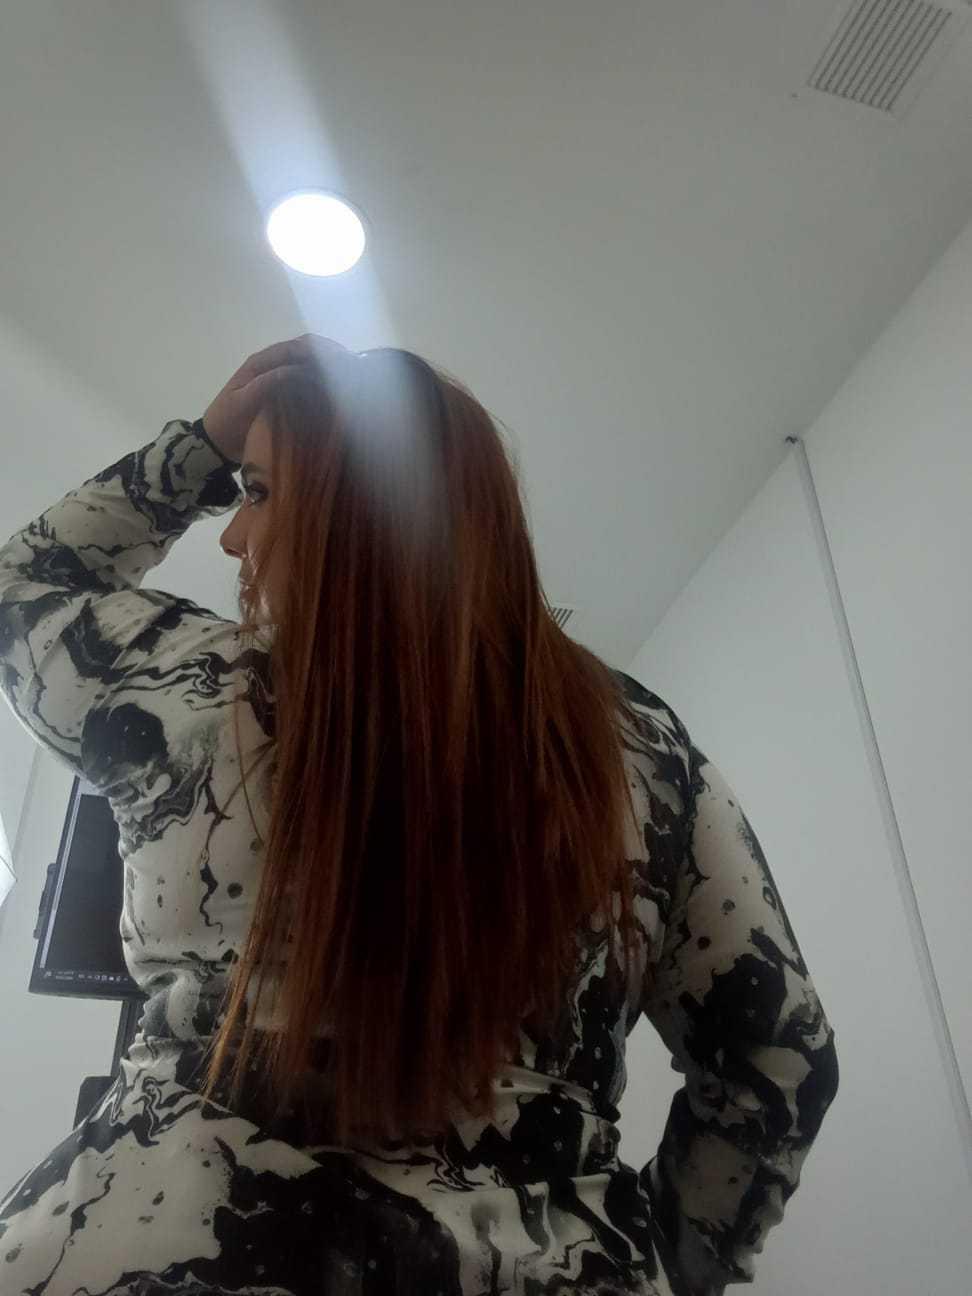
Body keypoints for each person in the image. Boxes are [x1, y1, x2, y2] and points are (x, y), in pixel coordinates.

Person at [0, 336, 838, 1295]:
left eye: (258, 493)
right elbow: (783, 1059)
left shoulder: (184, 687)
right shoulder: (637, 747)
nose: (233, 539)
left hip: (155, 1241)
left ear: (352, 514)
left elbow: (21, 591)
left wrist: (199, 447)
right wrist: (652, 1263)